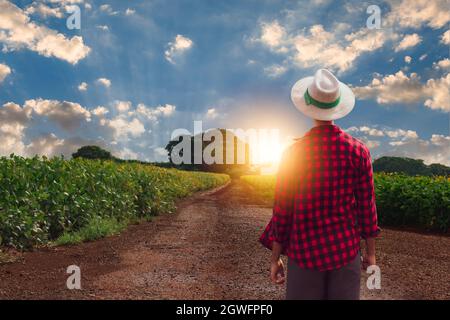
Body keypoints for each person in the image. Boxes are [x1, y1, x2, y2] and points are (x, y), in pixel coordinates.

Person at [260, 69, 380, 300]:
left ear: (308, 106)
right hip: (345, 250)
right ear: (337, 106)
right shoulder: (358, 150)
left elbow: (282, 209)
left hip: (304, 252)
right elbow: (367, 205)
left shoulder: (294, 152)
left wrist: (275, 258)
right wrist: (371, 253)